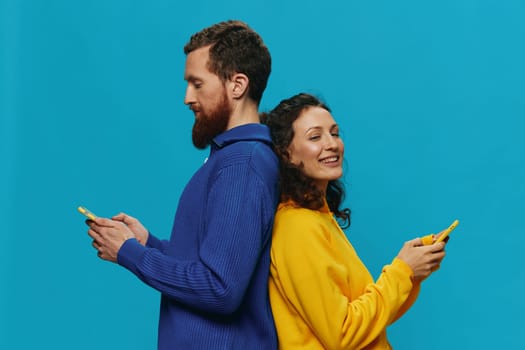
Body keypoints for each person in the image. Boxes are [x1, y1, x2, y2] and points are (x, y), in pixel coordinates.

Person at [85, 20, 279, 349]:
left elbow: (221, 289)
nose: (187, 98)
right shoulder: (233, 159)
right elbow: (214, 264)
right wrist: (149, 244)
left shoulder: (242, 165)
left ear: (237, 85)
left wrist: (130, 253)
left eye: (197, 84)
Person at [262, 93, 447, 350]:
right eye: (315, 137)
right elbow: (343, 334)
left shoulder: (318, 218)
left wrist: (411, 273)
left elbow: (370, 320)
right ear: (287, 154)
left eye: (334, 133)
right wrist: (402, 270)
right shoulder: (297, 227)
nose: (332, 144)